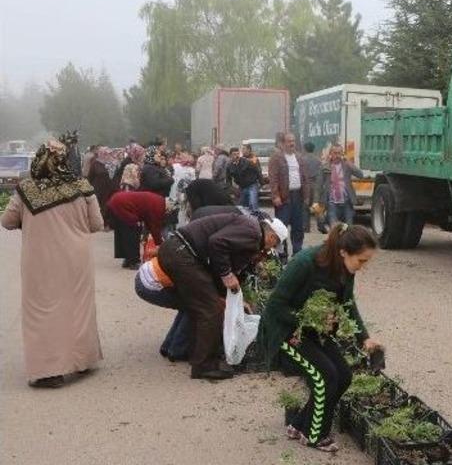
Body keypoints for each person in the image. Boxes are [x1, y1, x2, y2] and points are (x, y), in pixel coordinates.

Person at [258, 224, 381, 452]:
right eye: (361, 261)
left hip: (313, 331)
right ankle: (315, 435)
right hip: (285, 331)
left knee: (343, 376)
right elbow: (275, 306)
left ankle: (298, 425)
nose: (363, 267)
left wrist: (364, 338)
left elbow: (347, 303)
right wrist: (310, 320)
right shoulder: (305, 263)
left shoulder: (345, 269)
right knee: (325, 376)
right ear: (343, 251)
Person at [1, 139, 105, 388]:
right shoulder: (82, 186)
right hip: (77, 260)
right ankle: (82, 361)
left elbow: (7, 221)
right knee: (78, 307)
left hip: (40, 260)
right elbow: (97, 225)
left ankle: (49, 372)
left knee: (43, 310)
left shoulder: (26, 189)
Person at [156, 213, 288, 379]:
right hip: (181, 253)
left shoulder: (250, 230)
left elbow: (221, 259)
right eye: (274, 244)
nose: (269, 250)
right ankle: (203, 366)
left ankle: (191, 353)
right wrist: (227, 274)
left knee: (204, 305)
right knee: (212, 309)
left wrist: (235, 298)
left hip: (177, 251)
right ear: (271, 236)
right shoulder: (253, 233)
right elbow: (217, 243)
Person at [269, 132, 308, 255]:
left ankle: (297, 252)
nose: (292, 143)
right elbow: (273, 178)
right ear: (283, 143)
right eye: (289, 141)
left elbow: (305, 178)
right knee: (281, 227)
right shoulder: (276, 158)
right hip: (284, 197)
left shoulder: (299, 157)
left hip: (298, 196)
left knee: (298, 227)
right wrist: (275, 195)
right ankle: (282, 254)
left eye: (293, 141)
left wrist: (306, 196)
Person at [107, 191, 167, 269]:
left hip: (117, 201)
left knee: (124, 232)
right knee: (132, 232)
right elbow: (154, 225)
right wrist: (159, 243)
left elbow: (149, 221)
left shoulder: (158, 200)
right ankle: (133, 261)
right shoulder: (159, 206)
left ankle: (128, 260)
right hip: (121, 205)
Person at [316, 143, 364, 228]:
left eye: (339, 153)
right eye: (335, 153)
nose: (337, 155)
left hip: (346, 202)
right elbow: (318, 186)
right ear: (331, 154)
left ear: (342, 154)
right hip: (332, 203)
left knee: (348, 228)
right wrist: (316, 202)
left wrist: (349, 162)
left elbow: (360, 175)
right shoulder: (325, 167)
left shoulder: (347, 165)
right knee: (334, 229)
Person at [87, 146, 120, 224]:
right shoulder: (95, 164)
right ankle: (100, 223)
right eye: (102, 152)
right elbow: (90, 177)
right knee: (99, 206)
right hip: (99, 190)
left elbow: (117, 176)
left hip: (110, 190)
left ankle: (108, 222)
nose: (104, 154)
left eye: (106, 153)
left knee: (109, 206)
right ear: (99, 153)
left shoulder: (112, 164)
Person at [228, 146, 263, 210]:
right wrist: (233, 190)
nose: (237, 156)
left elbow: (257, 170)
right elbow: (228, 180)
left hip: (252, 185)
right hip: (241, 187)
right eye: (234, 154)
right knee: (242, 207)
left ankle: (255, 214)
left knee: (253, 203)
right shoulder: (229, 166)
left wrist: (261, 183)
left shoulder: (247, 162)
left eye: (238, 154)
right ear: (230, 156)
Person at [302, 142, 326, 233]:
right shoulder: (318, 160)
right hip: (316, 185)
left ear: (305, 149)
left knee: (305, 207)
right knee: (316, 206)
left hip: (306, 185)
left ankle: (306, 227)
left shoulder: (302, 160)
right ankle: (321, 225)